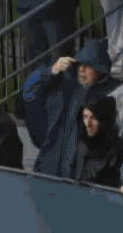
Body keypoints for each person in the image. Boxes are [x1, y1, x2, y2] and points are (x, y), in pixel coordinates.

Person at [23, 40, 118, 178]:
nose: (82, 69)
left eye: (88, 66)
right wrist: (50, 71)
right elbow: (30, 93)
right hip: (48, 171)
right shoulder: (63, 89)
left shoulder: (109, 97)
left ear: (100, 71)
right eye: (80, 64)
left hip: (82, 178)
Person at [72, 97, 123, 188]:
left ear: (103, 120)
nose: (88, 124)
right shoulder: (81, 145)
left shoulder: (119, 150)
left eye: (93, 118)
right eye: (85, 117)